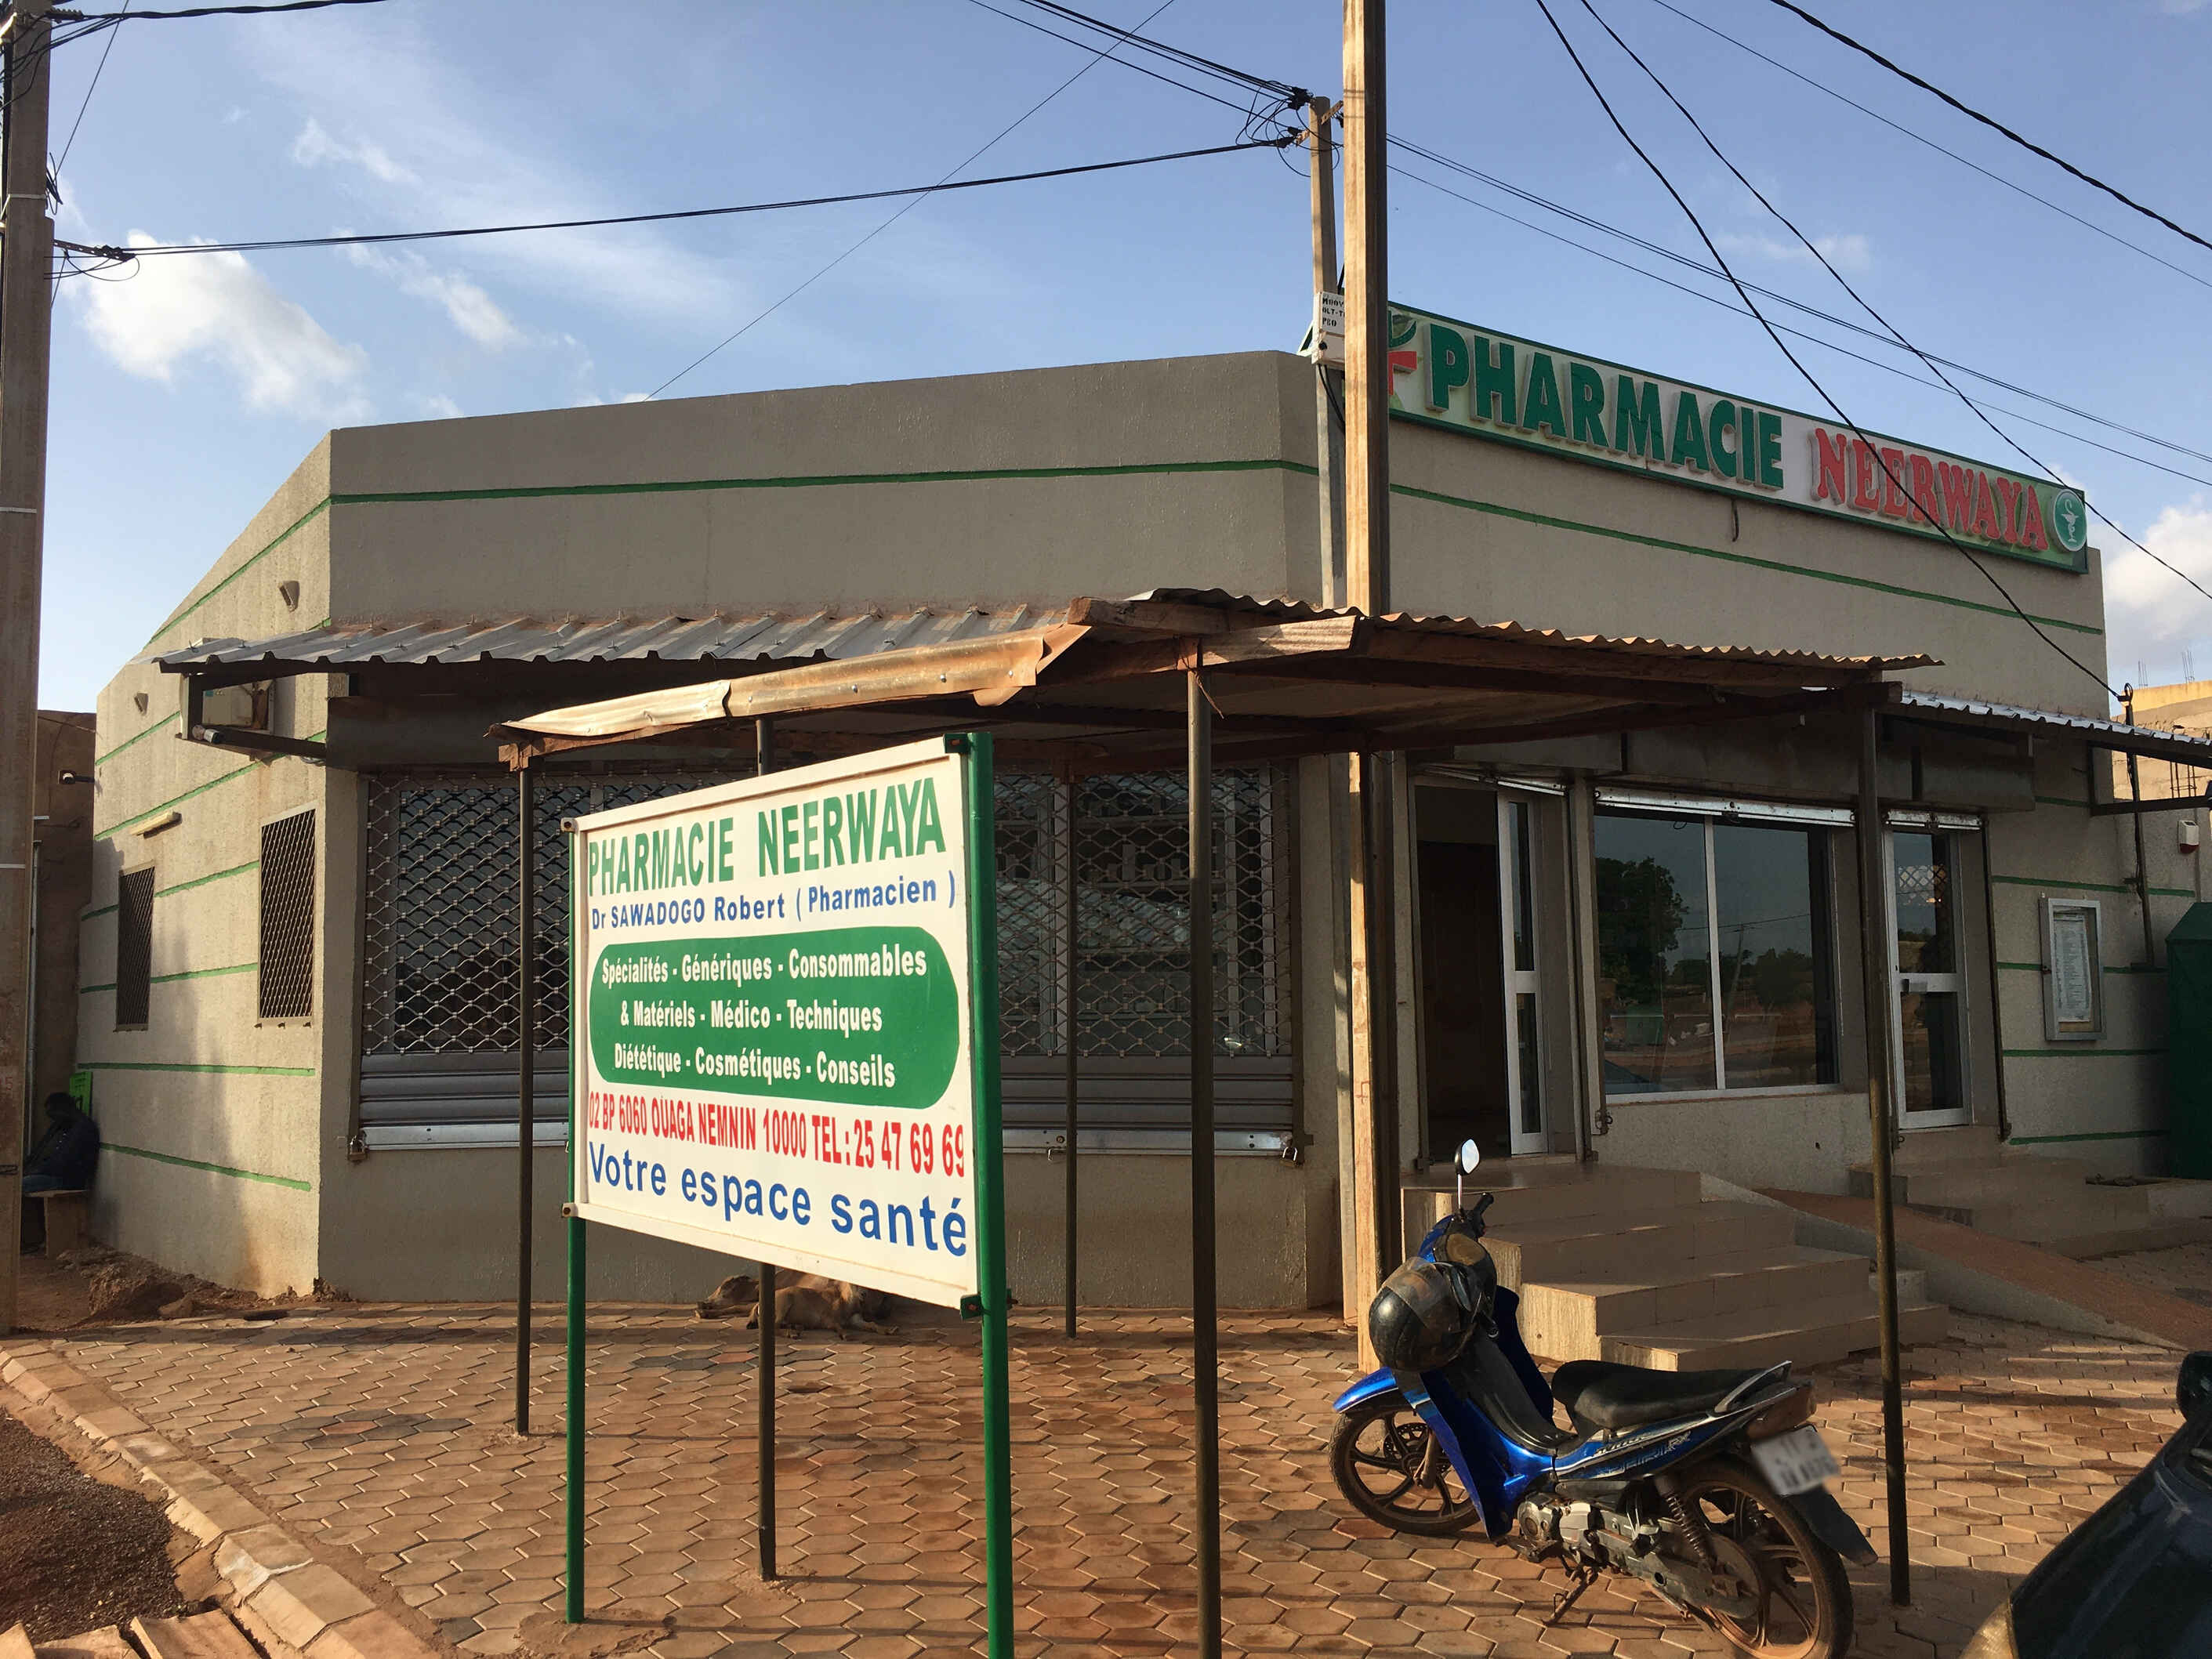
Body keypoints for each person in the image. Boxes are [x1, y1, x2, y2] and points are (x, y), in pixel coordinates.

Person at [24, 1091, 98, 1194]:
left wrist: (37, 1170)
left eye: (54, 1116)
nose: (54, 1121)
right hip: (54, 1176)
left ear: (65, 1109)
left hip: (67, 1181)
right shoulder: (69, 1126)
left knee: (17, 1185)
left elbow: (63, 1163)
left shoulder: (83, 1128)